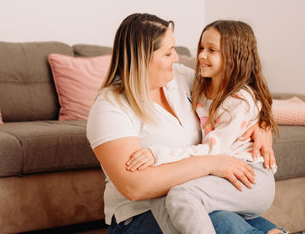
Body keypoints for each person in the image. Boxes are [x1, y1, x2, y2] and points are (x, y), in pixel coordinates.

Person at [86, 13, 282, 233]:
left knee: (239, 222)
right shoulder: (109, 107)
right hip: (139, 213)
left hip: (190, 194)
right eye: (169, 53)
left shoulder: (180, 78)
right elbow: (135, 186)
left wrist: (262, 125)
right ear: (142, 57)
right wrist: (210, 163)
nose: (177, 58)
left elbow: (239, 93)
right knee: (222, 223)